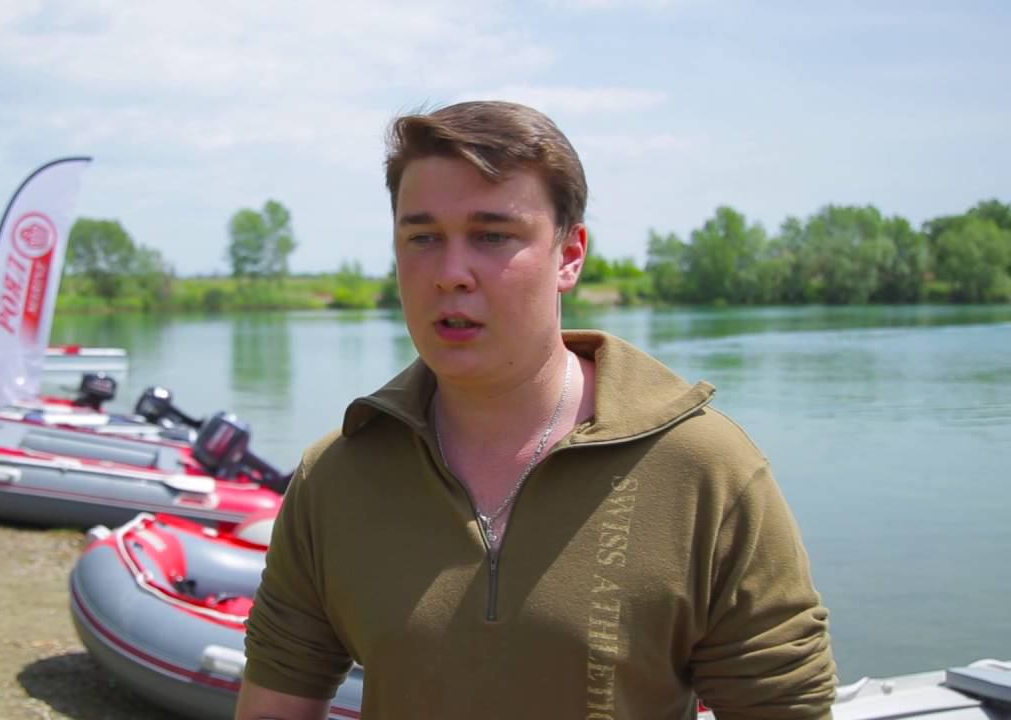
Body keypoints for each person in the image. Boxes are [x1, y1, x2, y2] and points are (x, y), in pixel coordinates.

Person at [237, 102, 836, 719]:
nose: (450, 274)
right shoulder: (335, 477)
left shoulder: (704, 469)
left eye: (492, 236)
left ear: (569, 255)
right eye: (423, 238)